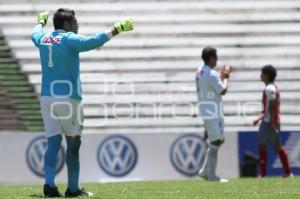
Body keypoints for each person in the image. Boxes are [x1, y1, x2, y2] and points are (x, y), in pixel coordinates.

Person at [31, 9, 134, 197]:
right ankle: (73, 188)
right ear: (67, 24)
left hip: (47, 97)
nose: (77, 25)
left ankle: (49, 185)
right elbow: (92, 42)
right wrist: (116, 29)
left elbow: (34, 34)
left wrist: (40, 21)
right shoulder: (69, 39)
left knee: (52, 143)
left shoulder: (43, 39)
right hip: (68, 98)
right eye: (75, 21)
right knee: (73, 143)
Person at [196, 46, 232, 182]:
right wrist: (226, 77)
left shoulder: (199, 71)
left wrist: (221, 76)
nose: (217, 60)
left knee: (218, 140)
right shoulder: (211, 73)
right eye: (216, 57)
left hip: (205, 109)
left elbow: (212, 84)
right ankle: (211, 175)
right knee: (217, 140)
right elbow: (222, 90)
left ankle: (206, 171)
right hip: (213, 111)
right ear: (211, 58)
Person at [253, 65, 293, 177]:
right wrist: (260, 118)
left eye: (262, 73)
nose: (260, 75)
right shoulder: (272, 87)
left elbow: (272, 105)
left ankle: (263, 174)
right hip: (272, 120)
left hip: (269, 122)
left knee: (262, 146)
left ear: (266, 75)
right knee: (277, 146)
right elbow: (269, 107)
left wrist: (271, 122)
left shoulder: (269, 88)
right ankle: (288, 172)